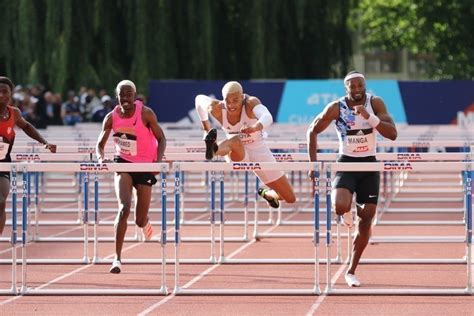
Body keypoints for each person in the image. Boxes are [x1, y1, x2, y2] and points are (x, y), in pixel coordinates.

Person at [306, 71, 397, 287]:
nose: (357, 90)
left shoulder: (375, 103)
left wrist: (368, 116)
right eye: (352, 87)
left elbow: (392, 134)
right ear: (346, 88)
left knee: (366, 219)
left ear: (365, 86)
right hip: (346, 163)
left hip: (369, 166)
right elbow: (312, 130)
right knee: (339, 206)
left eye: (360, 86)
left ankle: (351, 270)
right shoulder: (336, 107)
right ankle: (345, 211)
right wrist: (312, 164)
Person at [95, 80, 166, 274]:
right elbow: (99, 144)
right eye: (121, 95)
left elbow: (161, 138)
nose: (125, 98)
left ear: (134, 96)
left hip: (144, 165)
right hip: (123, 163)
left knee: (139, 219)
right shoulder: (111, 117)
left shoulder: (146, 113)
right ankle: (117, 259)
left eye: (129, 94)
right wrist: (101, 158)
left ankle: (145, 223)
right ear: (116, 96)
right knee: (124, 208)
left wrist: (157, 162)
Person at [195, 81, 296, 209]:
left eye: (235, 100)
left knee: (289, 198)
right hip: (237, 153)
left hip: (259, 151)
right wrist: (206, 128)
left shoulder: (250, 103)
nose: (231, 105)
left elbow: (267, 116)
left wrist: (255, 127)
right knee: (235, 141)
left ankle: (267, 193)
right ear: (223, 100)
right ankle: (213, 148)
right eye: (227, 101)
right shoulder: (216, 108)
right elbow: (198, 100)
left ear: (242, 97)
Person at [0, 76, 56, 235]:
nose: (1, 95)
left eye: (5, 92)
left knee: (1, 202)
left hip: (4, 163)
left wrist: (44, 142)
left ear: (11, 94)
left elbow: (27, 127)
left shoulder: (14, 113)